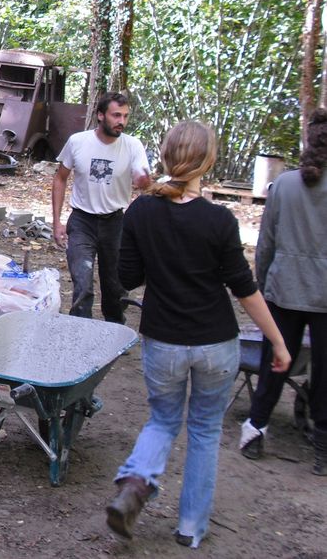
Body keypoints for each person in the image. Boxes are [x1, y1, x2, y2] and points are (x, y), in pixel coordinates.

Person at [106, 120, 290, 549]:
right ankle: (190, 528)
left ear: (167, 157)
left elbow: (126, 279)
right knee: (205, 431)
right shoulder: (219, 220)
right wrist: (277, 341)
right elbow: (245, 289)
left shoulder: (141, 211)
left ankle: (136, 484)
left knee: (163, 420)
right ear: (208, 160)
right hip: (215, 343)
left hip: (164, 342)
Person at [240, 109, 327, 475]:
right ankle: (322, 441)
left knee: (274, 361)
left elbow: (266, 244)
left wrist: (263, 282)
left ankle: (256, 428)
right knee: (324, 370)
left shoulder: (284, 186)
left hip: (283, 288)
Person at [52, 91, 151, 323]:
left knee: (114, 285)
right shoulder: (78, 142)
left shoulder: (133, 145)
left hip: (115, 222)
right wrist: (57, 222)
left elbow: (143, 179)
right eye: (116, 115)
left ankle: (114, 330)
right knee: (82, 282)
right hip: (82, 221)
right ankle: (79, 330)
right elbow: (60, 178)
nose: (121, 122)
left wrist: (144, 181)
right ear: (100, 115)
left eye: (125, 116)